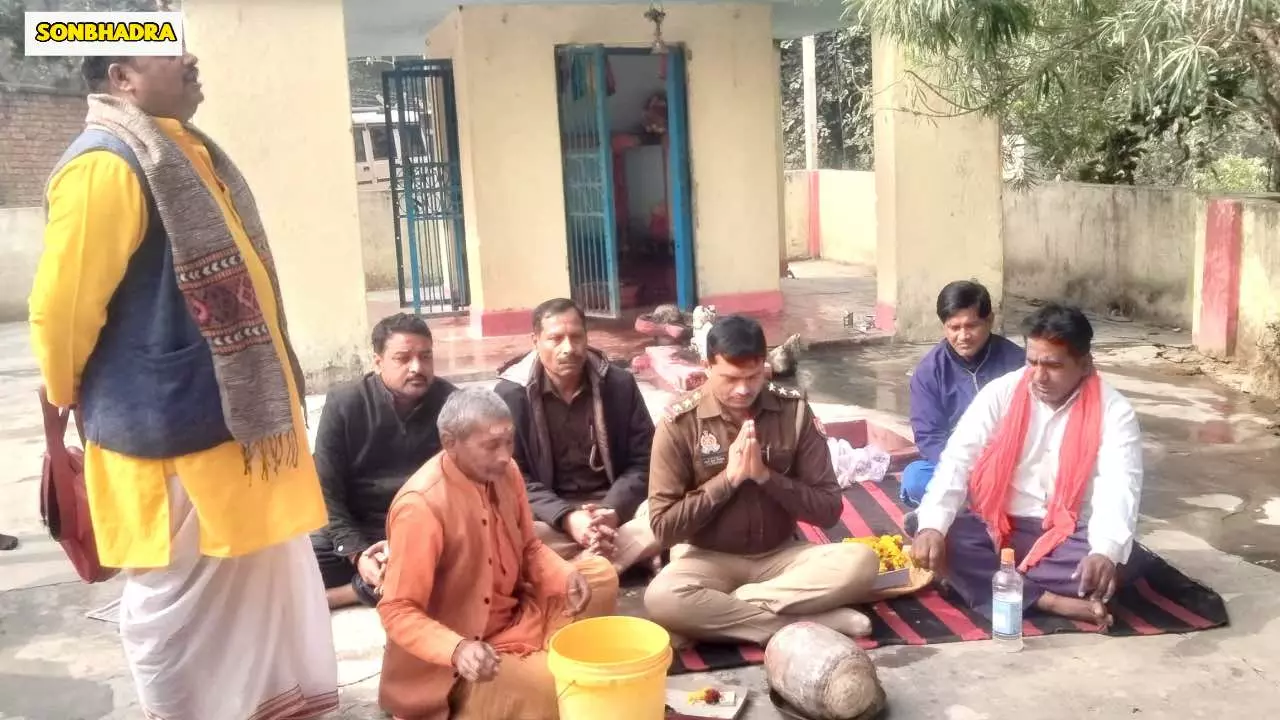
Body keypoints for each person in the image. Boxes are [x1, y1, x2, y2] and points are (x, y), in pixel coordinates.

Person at [28, 55, 338, 719]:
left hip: (229, 433)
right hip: (168, 439)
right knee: (173, 612)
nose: (192, 58)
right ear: (122, 76)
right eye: (169, 47)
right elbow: (62, 312)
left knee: (256, 600)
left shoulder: (182, 151)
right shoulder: (105, 165)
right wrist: (67, 390)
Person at [377, 388, 619, 720]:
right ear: (450, 443)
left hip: (516, 615)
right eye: (491, 445)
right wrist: (457, 649)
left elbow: (529, 547)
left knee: (599, 575)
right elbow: (397, 610)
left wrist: (563, 575)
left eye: (509, 442)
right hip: (466, 659)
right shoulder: (421, 506)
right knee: (556, 687)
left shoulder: (507, 473)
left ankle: (539, 661)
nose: (505, 455)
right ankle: (480, 701)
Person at [644, 315, 880, 646]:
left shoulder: (793, 411)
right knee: (662, 598)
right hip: (707, 558)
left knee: (862, 563)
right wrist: (727, 480)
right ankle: (807, 621)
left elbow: (828, 510)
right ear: (707, 365)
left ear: (765, 365)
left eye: (753, 377)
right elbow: (663, 527)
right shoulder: (679, 422)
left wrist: (766, 478)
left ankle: (726, 611)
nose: (743, 389)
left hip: (782, 557)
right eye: (730, 377)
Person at [910, 304, 1147, 627]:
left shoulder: (1114, 410)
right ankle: (1051, 601)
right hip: (998, 525)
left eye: (1052, 365)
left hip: (1069, 536)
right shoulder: (1002, 392)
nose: (1038, 376)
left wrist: (1104, 551)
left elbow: (1120, 485)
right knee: (929, 530)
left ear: (1085, 365)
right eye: (1032, 362)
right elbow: (957, 460)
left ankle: (991, 582)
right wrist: (933, 527)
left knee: (1115, 560)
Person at [495, 298, 658, 575]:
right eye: (555, 339)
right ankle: (610, 560)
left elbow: (645, 460)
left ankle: (574, 568)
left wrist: (612, 510)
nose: (568, 349)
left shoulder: (619, 384)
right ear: (535, 340)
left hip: (615, 509)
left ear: (587, 337)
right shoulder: (511, 396)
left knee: (663, 517)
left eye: (576, 337)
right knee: (502, 532)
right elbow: (511, 475)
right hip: (549, 517)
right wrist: (568, 518)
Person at [312, 313, 457, 609]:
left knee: (471, 556)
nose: (417, 368)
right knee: (297, 564)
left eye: (425, 357)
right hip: (360, 530)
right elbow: (327, 493)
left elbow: (464, 485)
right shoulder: (345, 403)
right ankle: (384, 583)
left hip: (424, 531)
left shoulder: (451, 403)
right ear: (378, 362)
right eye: (403, 358)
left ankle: (349, 594)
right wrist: (358, 554)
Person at [903, 280, 1025, 512]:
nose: (963, 336)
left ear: (989, 321)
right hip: (959, 468)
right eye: (954, 327)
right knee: (915, 478)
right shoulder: (929, 372)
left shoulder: (1017, 362)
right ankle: (981, 507)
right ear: (943, 327)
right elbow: (929, 437)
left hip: (1011, 464)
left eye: (972, 326)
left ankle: (962, 511)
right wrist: (965, 471)